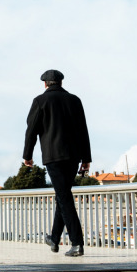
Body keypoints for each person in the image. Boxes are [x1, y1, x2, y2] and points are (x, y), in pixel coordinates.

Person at [22, 69, 91, 257]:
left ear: (45, 84)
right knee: (63, 196)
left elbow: (31, 130)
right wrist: (86, 159)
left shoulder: (40, 101)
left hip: (53, 156)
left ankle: (77, 243)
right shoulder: (75, 100)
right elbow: (83, 130)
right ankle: (54, 238)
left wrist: (27, 155)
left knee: (64, 197)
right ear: (60, 82)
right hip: (74, 156)